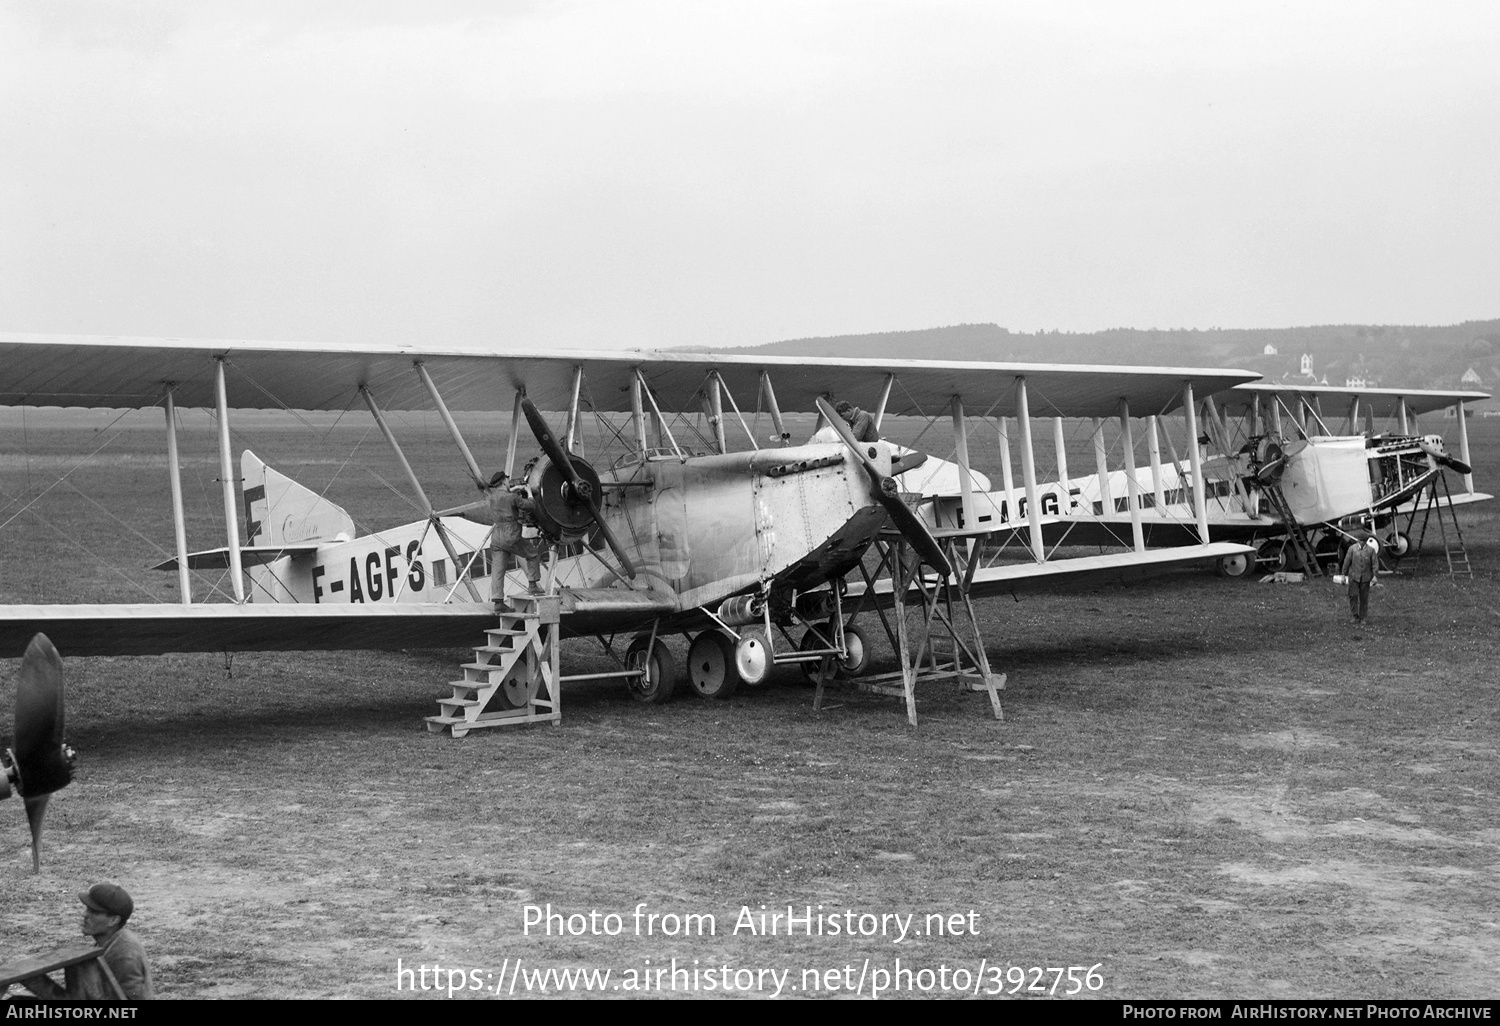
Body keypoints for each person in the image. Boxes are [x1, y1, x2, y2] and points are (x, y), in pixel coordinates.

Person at [21, 883, 154, 1000]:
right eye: (86, 909)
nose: (85, 915)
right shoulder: (109, 941)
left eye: (94, 911)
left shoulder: (124, 952)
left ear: (113, 920)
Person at [486, 471, 545, 610]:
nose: (508, 482)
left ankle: (498, 602)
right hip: (510, 534)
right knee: (532, 553)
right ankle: (532, 585)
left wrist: (514, 490)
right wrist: (529, 492)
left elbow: (503, 497)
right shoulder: (512, 498)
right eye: (507, 480)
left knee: (498, 569)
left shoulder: (492, 497)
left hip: (496, 536)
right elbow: (530, 506)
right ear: (503, 482)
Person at [1340, 535, 1381, 624]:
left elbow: (1375, 563)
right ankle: (1355, 615)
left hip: (1365, 578)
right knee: (1353, 595)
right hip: (1354, 577)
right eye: (1360, 540)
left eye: (1364, 541)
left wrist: (1375, 575)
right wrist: (1343, 574)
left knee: (1364, 597)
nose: (1362, 542)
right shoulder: (1352, 549)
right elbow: (1346, 561)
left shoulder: (1371, 550)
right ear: (1358, 540)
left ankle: (1363, 617)